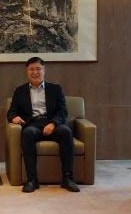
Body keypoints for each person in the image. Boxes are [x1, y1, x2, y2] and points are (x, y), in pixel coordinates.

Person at [7, 56, 79, 193]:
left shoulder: (55, 89)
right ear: (27, 71)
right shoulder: (20, 91)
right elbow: (11, 111)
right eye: (31, 69)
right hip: (33, 124)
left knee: (66, 132)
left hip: (53, 123)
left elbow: (62, 111)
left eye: (38, 69)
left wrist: (53, 123)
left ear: (44, 71)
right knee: (27, 133)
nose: (35, 72)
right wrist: (14, 117)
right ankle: (32, 180)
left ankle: (67, 178)